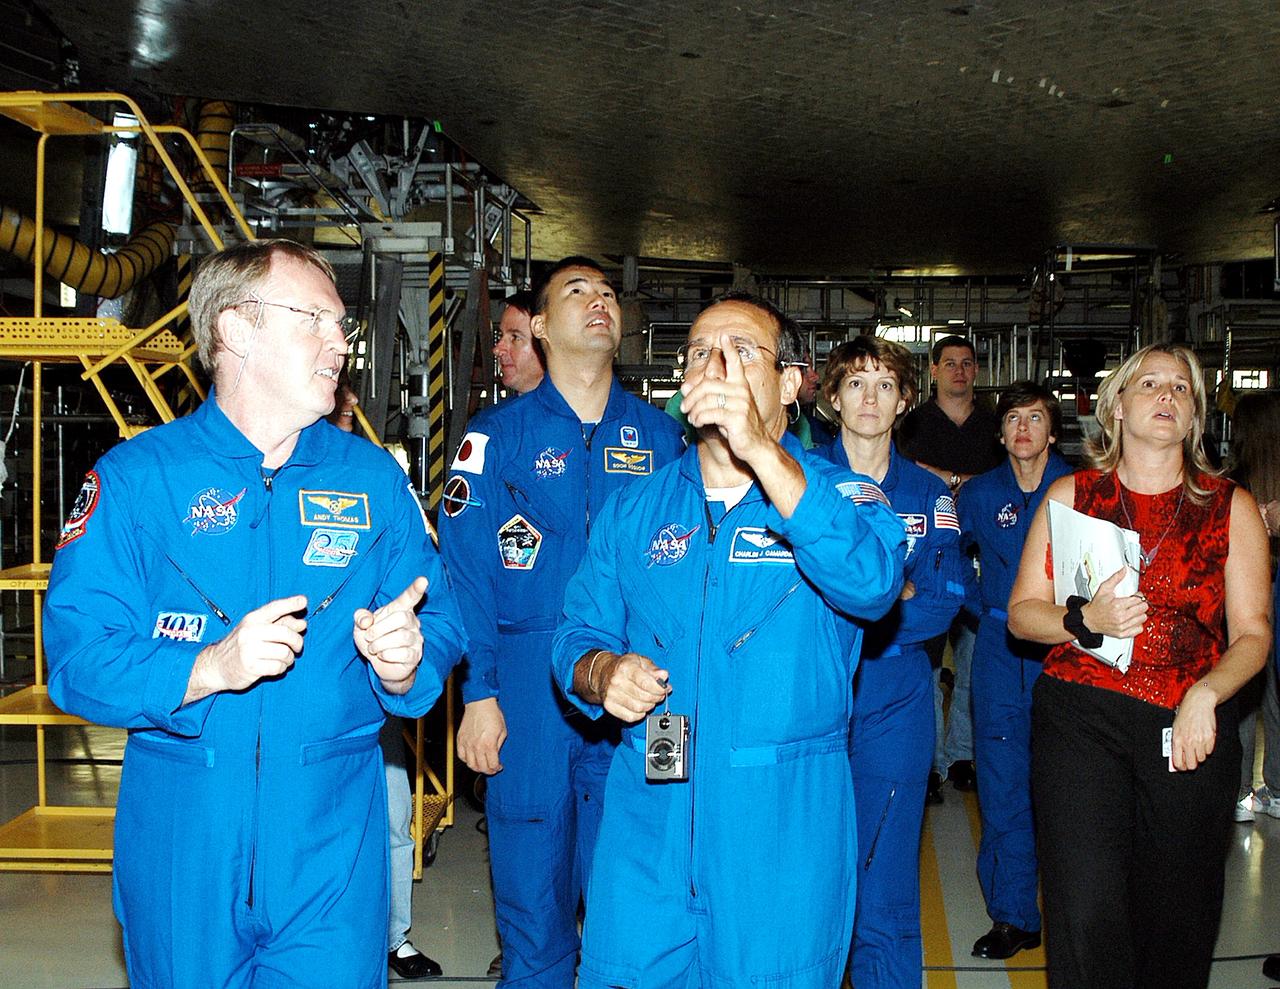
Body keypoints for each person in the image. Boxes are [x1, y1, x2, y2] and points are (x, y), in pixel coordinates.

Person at [43, 239, 466, 989]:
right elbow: (77, 660)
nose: (342, 344)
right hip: (185, 833)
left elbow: (442, 618)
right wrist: (209, 667)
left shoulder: (370, 478)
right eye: (316, 320)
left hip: (332, 838)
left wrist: (409, 661)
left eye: (343, 326)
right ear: (235, 329)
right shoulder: (138, 481)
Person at [551, 294, 907, 988]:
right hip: (647, 835)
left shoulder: (845, 499)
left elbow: (871, 581)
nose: (715, 365)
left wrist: (761, 452)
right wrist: (602, 670)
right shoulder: (636, 508)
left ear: (791, 383)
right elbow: (576, 635)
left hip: (780, 845)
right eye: (699, 352)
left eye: (742, 351)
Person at [439, 256, 684, 987]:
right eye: (577, 291)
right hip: (523, 690)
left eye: (608, 292)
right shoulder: (495, 439)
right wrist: (478, 692)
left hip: (639, 694)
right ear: (541, 328)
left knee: (638, 901)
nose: (599, 300)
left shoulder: (664, 442)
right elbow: (465, 575)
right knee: (533, 902)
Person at [1008, 343, 1271, 989]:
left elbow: (1254, 633)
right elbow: (1021, 613)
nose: (1166, 396)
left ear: (1195, 415)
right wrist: (1082, 620)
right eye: (1149, 383)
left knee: (1177, 910)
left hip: (1187, 718)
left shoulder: (1230, 506)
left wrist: (1208, 693)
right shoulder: (1072, 495)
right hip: (1081, 718)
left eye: (1181, 389)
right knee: (1086, 901)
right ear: (1115, 407)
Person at [814, 336, 968, 989]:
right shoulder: (802, 481)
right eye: (855, 383)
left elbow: (949, 597)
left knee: (885, 885)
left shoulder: (928, 495)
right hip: (809, 703)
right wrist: (890, 591)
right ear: (832, 398)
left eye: (883, 384)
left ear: (906, 399)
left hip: (895, 706)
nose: (869, 397)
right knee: (805, 879)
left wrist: (860, 601)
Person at [328, 380, 443, 981]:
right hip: (314, 705)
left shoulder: (378, 485)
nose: (342, 422)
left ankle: (394, 937)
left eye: (349, 415)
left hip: (377, 701)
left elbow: (430, 589)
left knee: (393, 819)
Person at [958, 381, 1072, 960]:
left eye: (1034, 418)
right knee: (1002, 784)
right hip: (1002, 654)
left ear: (1052, 431)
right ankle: (1014, 915)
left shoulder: (1082, 491)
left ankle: (1079, 911)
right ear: (1001, 433)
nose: (1023, 429)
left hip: (1070, 650)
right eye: (1013, 420)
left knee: (1072, 789)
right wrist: (985, 612)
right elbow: (952, 562)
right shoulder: (978, 495)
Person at [897, 334, 1003, 799]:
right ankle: (930, 765)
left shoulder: (994, 425)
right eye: (950, 363)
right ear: (933, 372)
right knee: (924, 665)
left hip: (981, 555)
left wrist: (945, 477)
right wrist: (960, 481)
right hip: (925, 558)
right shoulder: (913, 423)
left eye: (967, 363)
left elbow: (1008, 476)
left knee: (975, 662)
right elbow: (901, 469)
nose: (959, 371)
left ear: (976, 371)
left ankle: (962, 754)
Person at [1226, 391, 1280, 824]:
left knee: (1243, 687)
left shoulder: (1232, 484)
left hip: (1243, 593)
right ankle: (1277, 789)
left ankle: (1238, 790)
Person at [492, 290, 545, 397]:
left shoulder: (583, 411)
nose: (497, 350)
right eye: (501, 335)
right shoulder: (500, 414)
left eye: (515, 337)